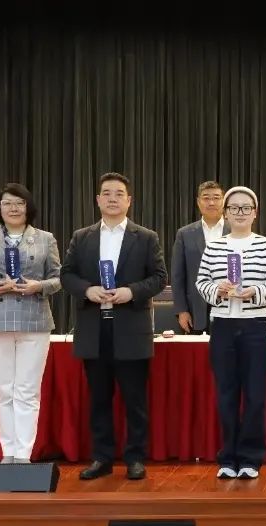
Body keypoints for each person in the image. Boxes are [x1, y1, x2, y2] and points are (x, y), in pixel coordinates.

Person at [60, 172, 167, 480]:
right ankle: (102, 457)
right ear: (97, 200)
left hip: (131, 329)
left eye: (119, 193)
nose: (112, 198)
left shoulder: (145, 237)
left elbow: (159, 277)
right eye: (106, 193)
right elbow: (67, 275)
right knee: (99, 400)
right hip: (94, 329)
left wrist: (131, 291)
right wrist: (87, 290)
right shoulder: (82, 237)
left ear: (129, 200)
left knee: (135, 400)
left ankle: (135, 457)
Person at [0, 183, 61, 464]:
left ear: (28, 207)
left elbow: (58, 278)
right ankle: (8, 454)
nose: (14, 208)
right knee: (4, 391)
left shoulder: (45, 239)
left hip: (34, 321)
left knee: (27, 391)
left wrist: (37, 286)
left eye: (19, 203)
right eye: (7, 203)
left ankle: (23, 456)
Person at [195, 186, 266, 479]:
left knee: (255, 395)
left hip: (255, 325)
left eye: (246, 208)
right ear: (226, 212)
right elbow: (201, 282)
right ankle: (227, 457)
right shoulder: (215, 247)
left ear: (255, 213)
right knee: (226, 394)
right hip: (222, 324)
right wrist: (217, 290)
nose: (240, 213)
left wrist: (255, 291)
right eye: (234, 208)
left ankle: (251, 458)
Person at [172, 180, 229, 334]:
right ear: (198, 202)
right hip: (195, 309)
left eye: (216, 198)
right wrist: (181, 310)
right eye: (206, 198)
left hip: (230, 306)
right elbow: (178, 276)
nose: (211, 202)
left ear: (224, 201)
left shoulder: (236, 230)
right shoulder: (185, 234)